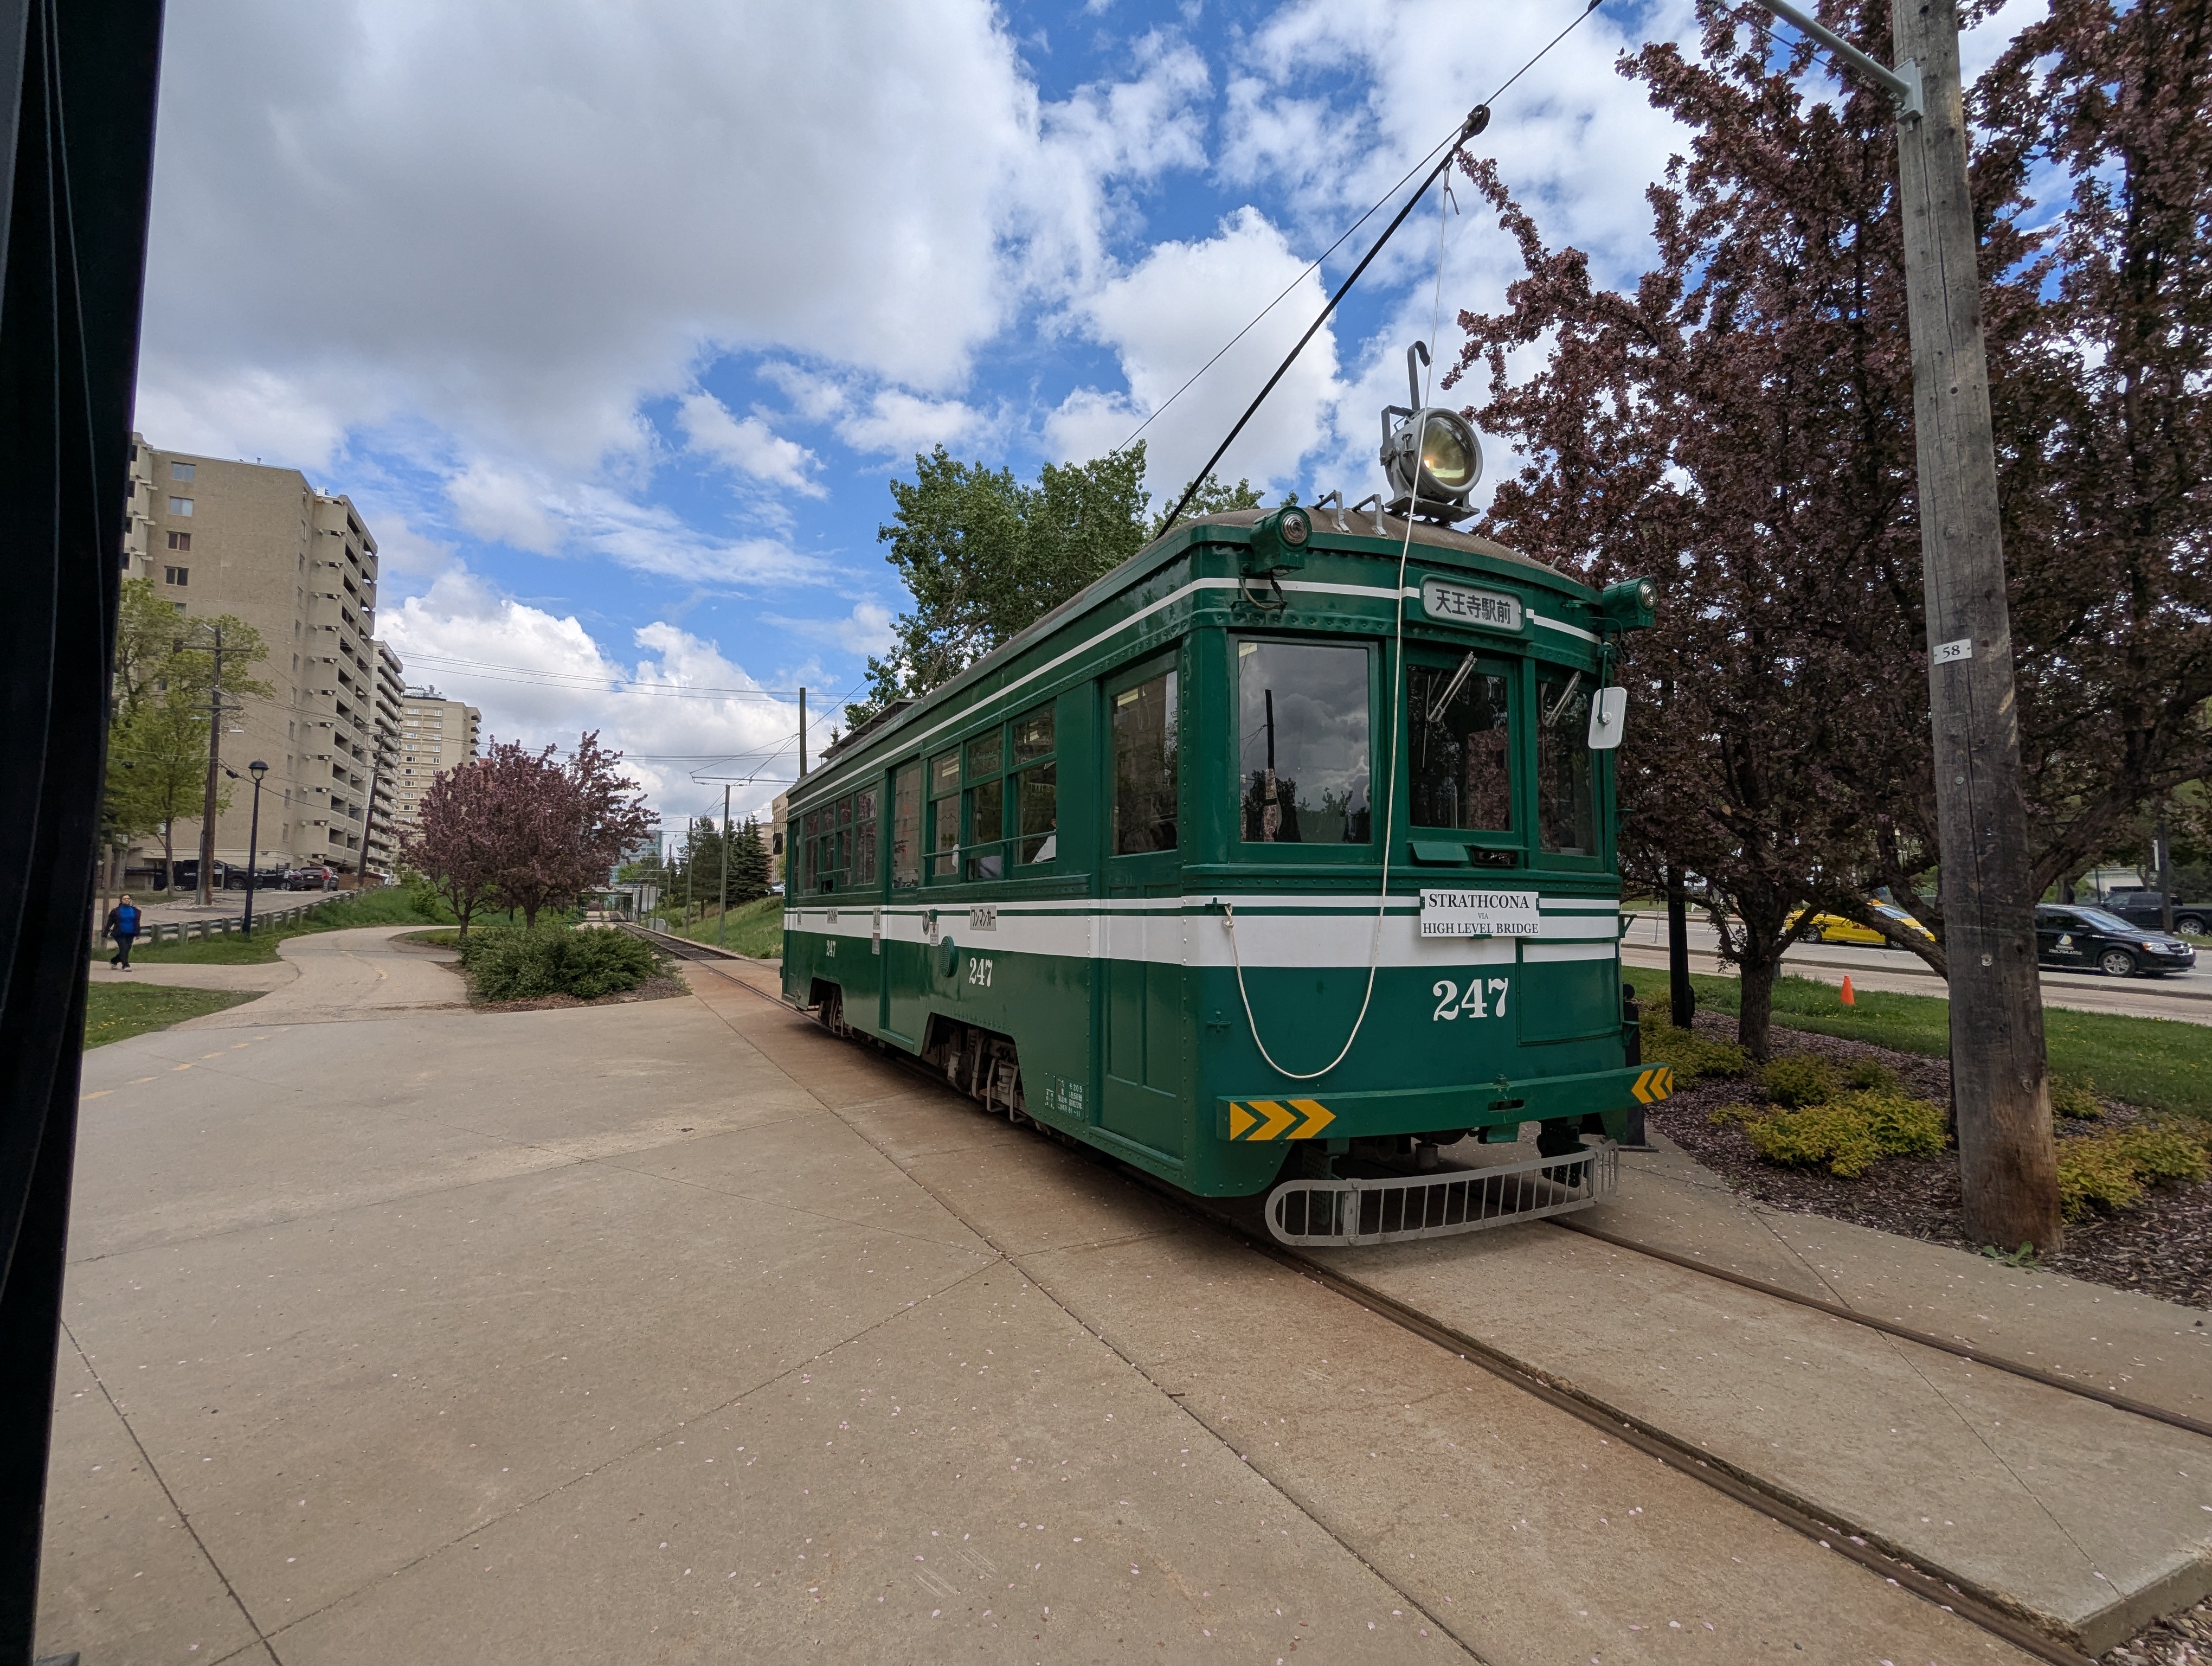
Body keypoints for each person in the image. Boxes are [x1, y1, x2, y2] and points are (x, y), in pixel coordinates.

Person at [104, 893, 142, 969]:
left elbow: (137, 923)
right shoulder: (116, 911)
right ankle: (126, 965)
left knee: (126, 950)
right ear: (121, 900)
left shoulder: (136, 911)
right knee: (124, 948)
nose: (127, 900)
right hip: (119, 933)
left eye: (128, 899)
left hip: (130, 933)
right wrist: (105, 933)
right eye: (125, 899)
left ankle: (114, 961)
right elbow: (110, 923)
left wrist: (138, 933)